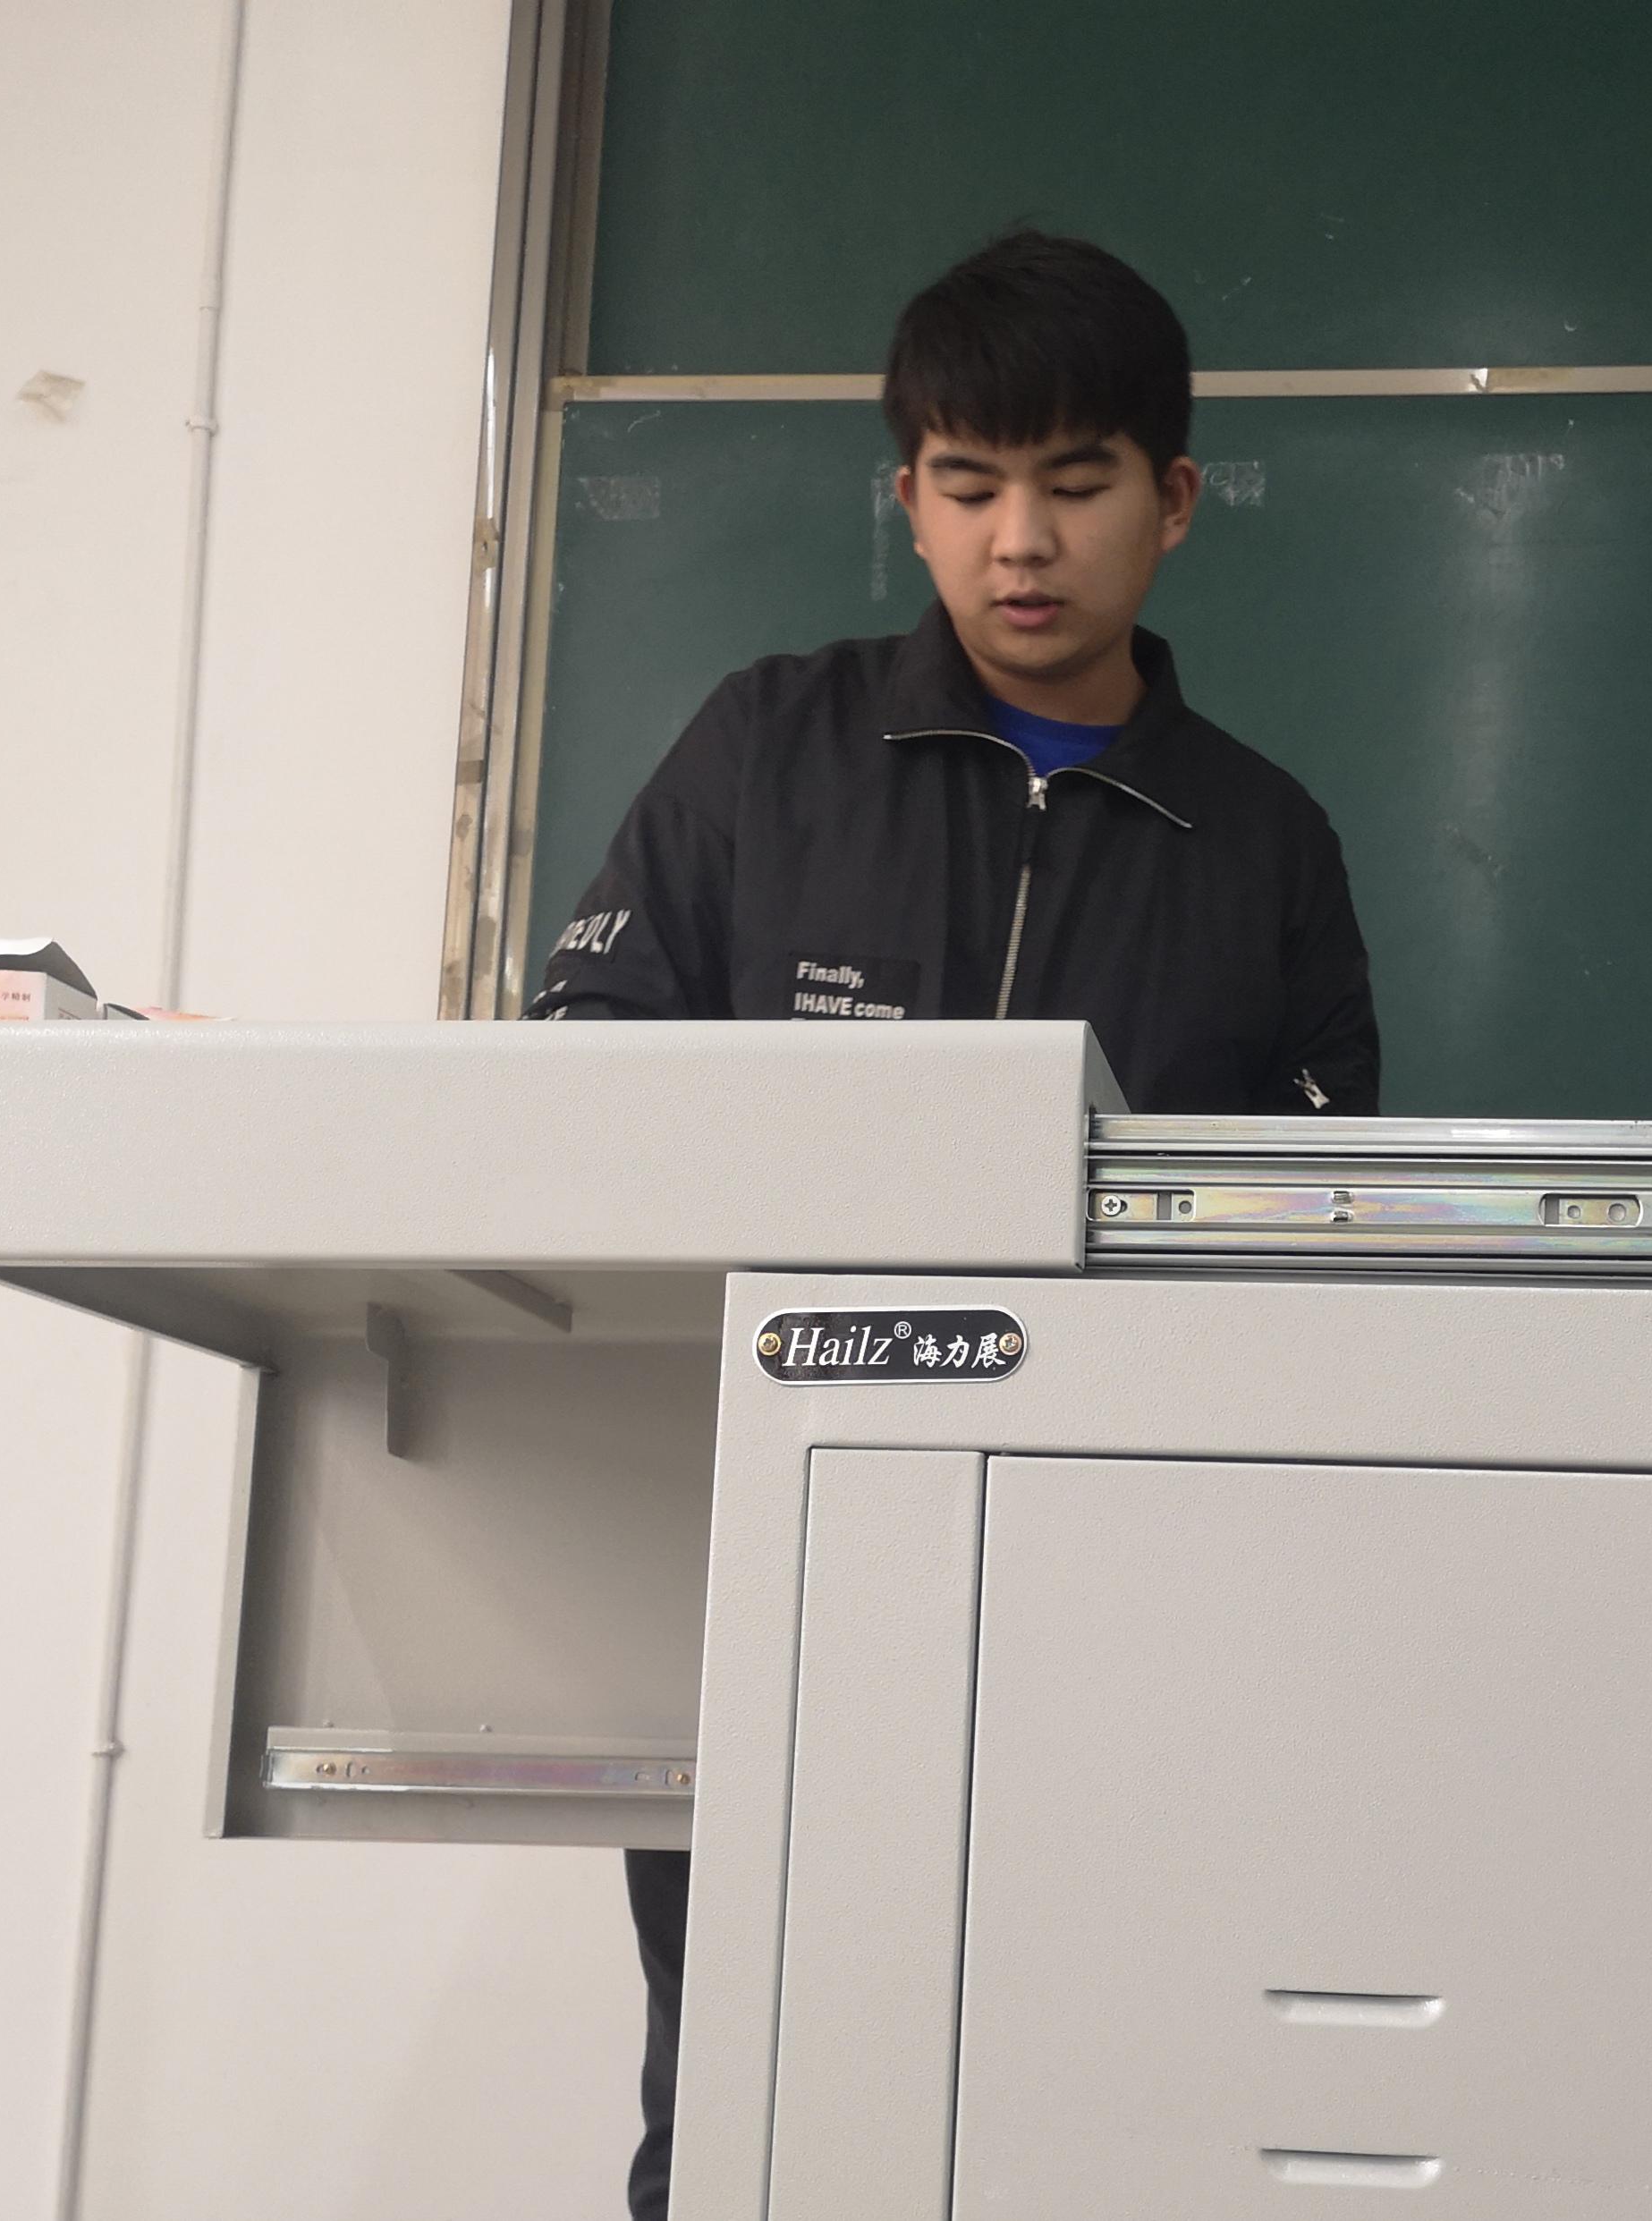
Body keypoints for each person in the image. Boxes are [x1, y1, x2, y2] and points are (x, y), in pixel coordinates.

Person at [527, 228, 1380, 2220]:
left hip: (1126, 1574)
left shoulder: (1265, 842)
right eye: (971, 483)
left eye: (1077, 482)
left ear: (1174, 499)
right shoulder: (766, 748)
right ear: (905, 494)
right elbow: (585, 1073)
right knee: (739, 2093)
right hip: (771, 1548)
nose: (1023, 541)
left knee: (1089, 2099)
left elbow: (1329, 1231)